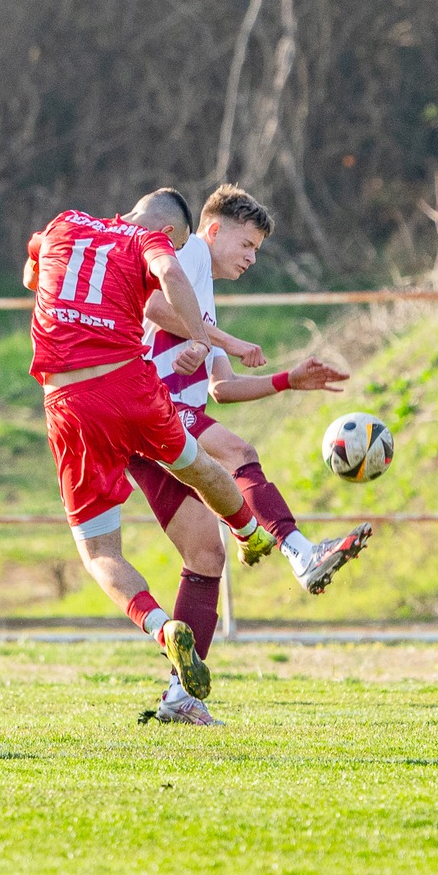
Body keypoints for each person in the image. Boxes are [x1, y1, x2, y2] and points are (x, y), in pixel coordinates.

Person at [128, 184, 368, 725]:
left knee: (205, 556)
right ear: (213, 231)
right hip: (151, 408)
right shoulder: (188, 254)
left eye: (257, 250)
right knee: (239, 450)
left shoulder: (205, 296)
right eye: (247, 244)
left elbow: (222, 388)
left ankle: (180, 697)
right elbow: (152, 305)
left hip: (157, 430)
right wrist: (223, 339)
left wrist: (287, 380)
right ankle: (301, 553)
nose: (252, 258)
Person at [25, 193, 275, 707]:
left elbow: (31, 274)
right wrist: (203, 339)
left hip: (69, 402)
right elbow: (171, 277)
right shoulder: (146, 241)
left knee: (100, 552)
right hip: (130, 388)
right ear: (172, 233)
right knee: (199, 465)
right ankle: (250, 531)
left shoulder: (63, 223)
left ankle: (161, 627)